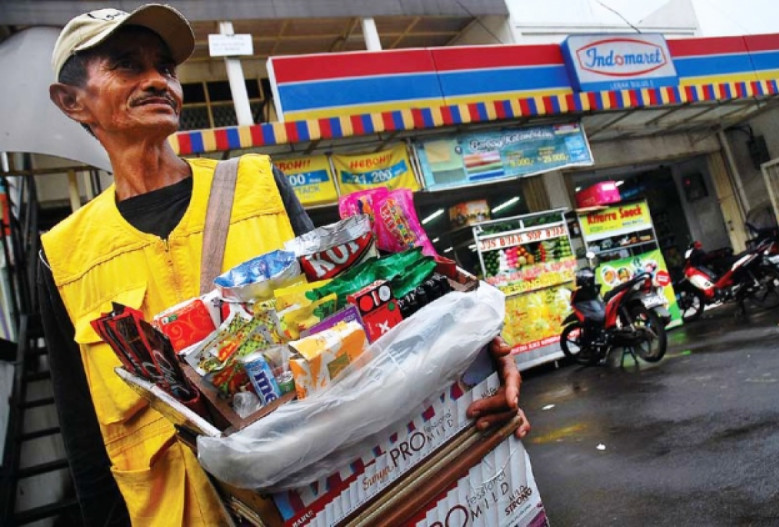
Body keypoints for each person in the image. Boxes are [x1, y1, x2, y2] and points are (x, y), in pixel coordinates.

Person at [39, 4, 530, 526]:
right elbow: (87, 436)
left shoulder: (257, 186)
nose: (158, 80)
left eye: (166, 67)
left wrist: (477, 365)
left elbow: (366, 322)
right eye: (128, 65)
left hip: (319, 500)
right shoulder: (65, 253)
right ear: (72, 102)